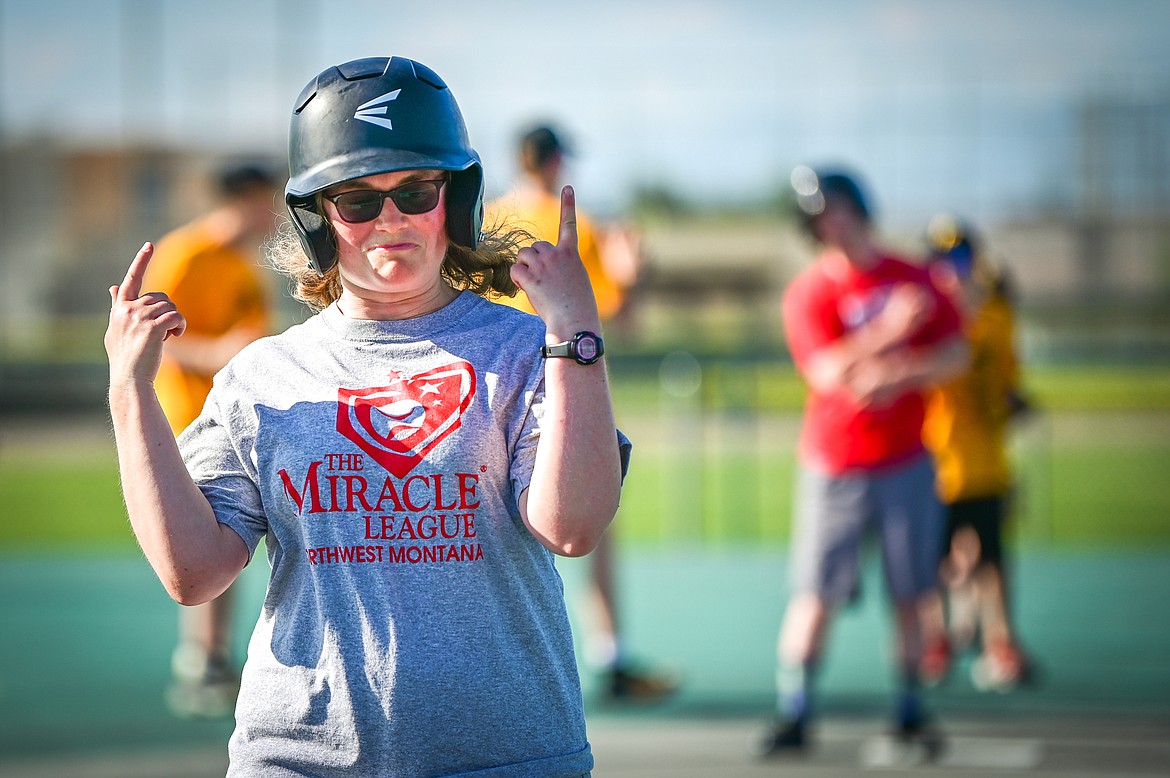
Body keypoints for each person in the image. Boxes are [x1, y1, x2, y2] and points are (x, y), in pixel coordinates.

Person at [105, 55, 627, 776]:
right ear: (319, 218)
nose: (391, 220)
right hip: (298, 760)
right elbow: (192, 572)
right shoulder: (261, 376)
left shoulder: (524, 351)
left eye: (416, 191)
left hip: (507, 756)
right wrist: (129, 393)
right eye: (357, 201)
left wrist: (574, 332)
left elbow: (572, 527)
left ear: (457, 198)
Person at [757, 167, 969, 756]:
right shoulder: (812, 293)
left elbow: (954, 354)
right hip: (836, 463)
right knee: (816, 593)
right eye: (822, 214)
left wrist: (897, 373)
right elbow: (826, 373)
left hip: (905, 459)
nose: (835, 221)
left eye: (841, 207)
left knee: (911, 592)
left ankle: (909, 709)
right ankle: (795, 711)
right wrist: (889, 332)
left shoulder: (913, 277)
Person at [488, 123, 673, 702]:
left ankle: (488, 662)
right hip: (561, 390)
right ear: (555, 160)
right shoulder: (579, 229)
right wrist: (631, 279)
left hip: (492, 394)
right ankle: (611, 655)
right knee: (593, 522)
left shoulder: (487, 221)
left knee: (486, 531)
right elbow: (610, 319)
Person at [142, 162, 279, 718]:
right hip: (186, 419)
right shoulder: (187, 255)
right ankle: (201, 658)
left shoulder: (242, 266)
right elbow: (147, 337)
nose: (273, 213)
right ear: (242, 198)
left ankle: (213, 657)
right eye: (265, 199)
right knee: (205, 542)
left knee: (231, 539)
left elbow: (248, 340)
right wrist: (216, 352)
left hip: (231, 418)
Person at [918, 214, 1034, 693]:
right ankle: (936, 640)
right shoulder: (923, 314)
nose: (952, 268)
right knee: (933, 564)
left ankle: (1000, 643)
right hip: (935, 460)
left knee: (992, 562)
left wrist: (1012, 402)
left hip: (984, 461)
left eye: (960, 257)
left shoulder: (995, 318)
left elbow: (1004, 384)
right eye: (942, 258)